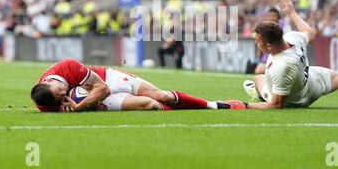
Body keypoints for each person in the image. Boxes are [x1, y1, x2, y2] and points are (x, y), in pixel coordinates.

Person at [30, 59, 245, 112]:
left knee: (163, 96)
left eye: (60, 93)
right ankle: (184, 109)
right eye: (59, 98)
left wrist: (78, 107)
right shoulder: (45, 100)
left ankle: (212, 105)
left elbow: (103, 88)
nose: (62, 95)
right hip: (96, 99)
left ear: (52, 83)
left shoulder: (67, 67)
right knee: (151, 105)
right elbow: (57, 105)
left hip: (107, 79)